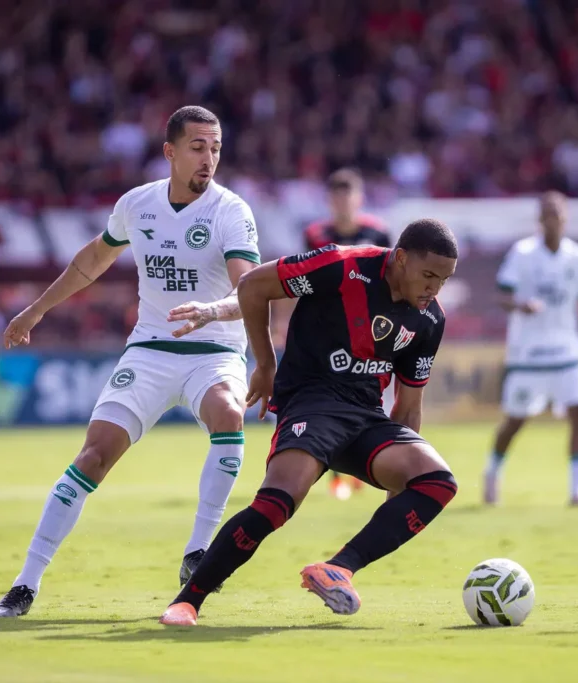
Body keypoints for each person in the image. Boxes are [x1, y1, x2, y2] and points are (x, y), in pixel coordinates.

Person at [0, 106, 260, 617]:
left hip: (215, 348)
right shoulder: (137, 205)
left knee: (228, 412)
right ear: (170, 152)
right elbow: (92, 260)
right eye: (198, 147)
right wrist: (36, 310)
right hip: (151, 349)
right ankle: (25, 584)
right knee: (93, 457)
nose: (209, 158)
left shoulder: (231, 211)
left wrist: (210, 311)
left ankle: (198, 551)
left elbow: (248, 289)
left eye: (216, 148)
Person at [159, 219, 459, 626]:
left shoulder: (429, 320)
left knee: (437, 482)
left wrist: (399, 493)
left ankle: (338, 569)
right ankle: (187, 602)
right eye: (428, 276)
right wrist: (266, 365)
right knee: (276, 505)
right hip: (311, 404)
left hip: (365, 417)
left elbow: (408, 409)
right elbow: (252, 286)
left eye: (443, 280)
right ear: (402, 258)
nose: (434, 289)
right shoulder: (341, 266)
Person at [483, 191, 578, 507]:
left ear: (566, 217)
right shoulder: (522, 253)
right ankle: (492, 473)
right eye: (547, 213)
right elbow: (501, 296)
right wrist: (521, 306)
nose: (553, 219)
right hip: (529, 354)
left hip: (568, 352)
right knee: (515, 420)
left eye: (558, 213)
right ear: (539, 219)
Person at [304, 168, 393, 500]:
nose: (343, 202)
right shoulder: (315, 234)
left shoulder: (378, 232)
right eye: (337, 195)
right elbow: (305, 279)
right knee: (329, 398)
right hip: (328, 329)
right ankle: (337, 475)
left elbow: (390, 278)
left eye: (348, 195)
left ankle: (364, 464)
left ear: (359, 199)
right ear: (330, 200)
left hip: (369, 329)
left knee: (366, 396)